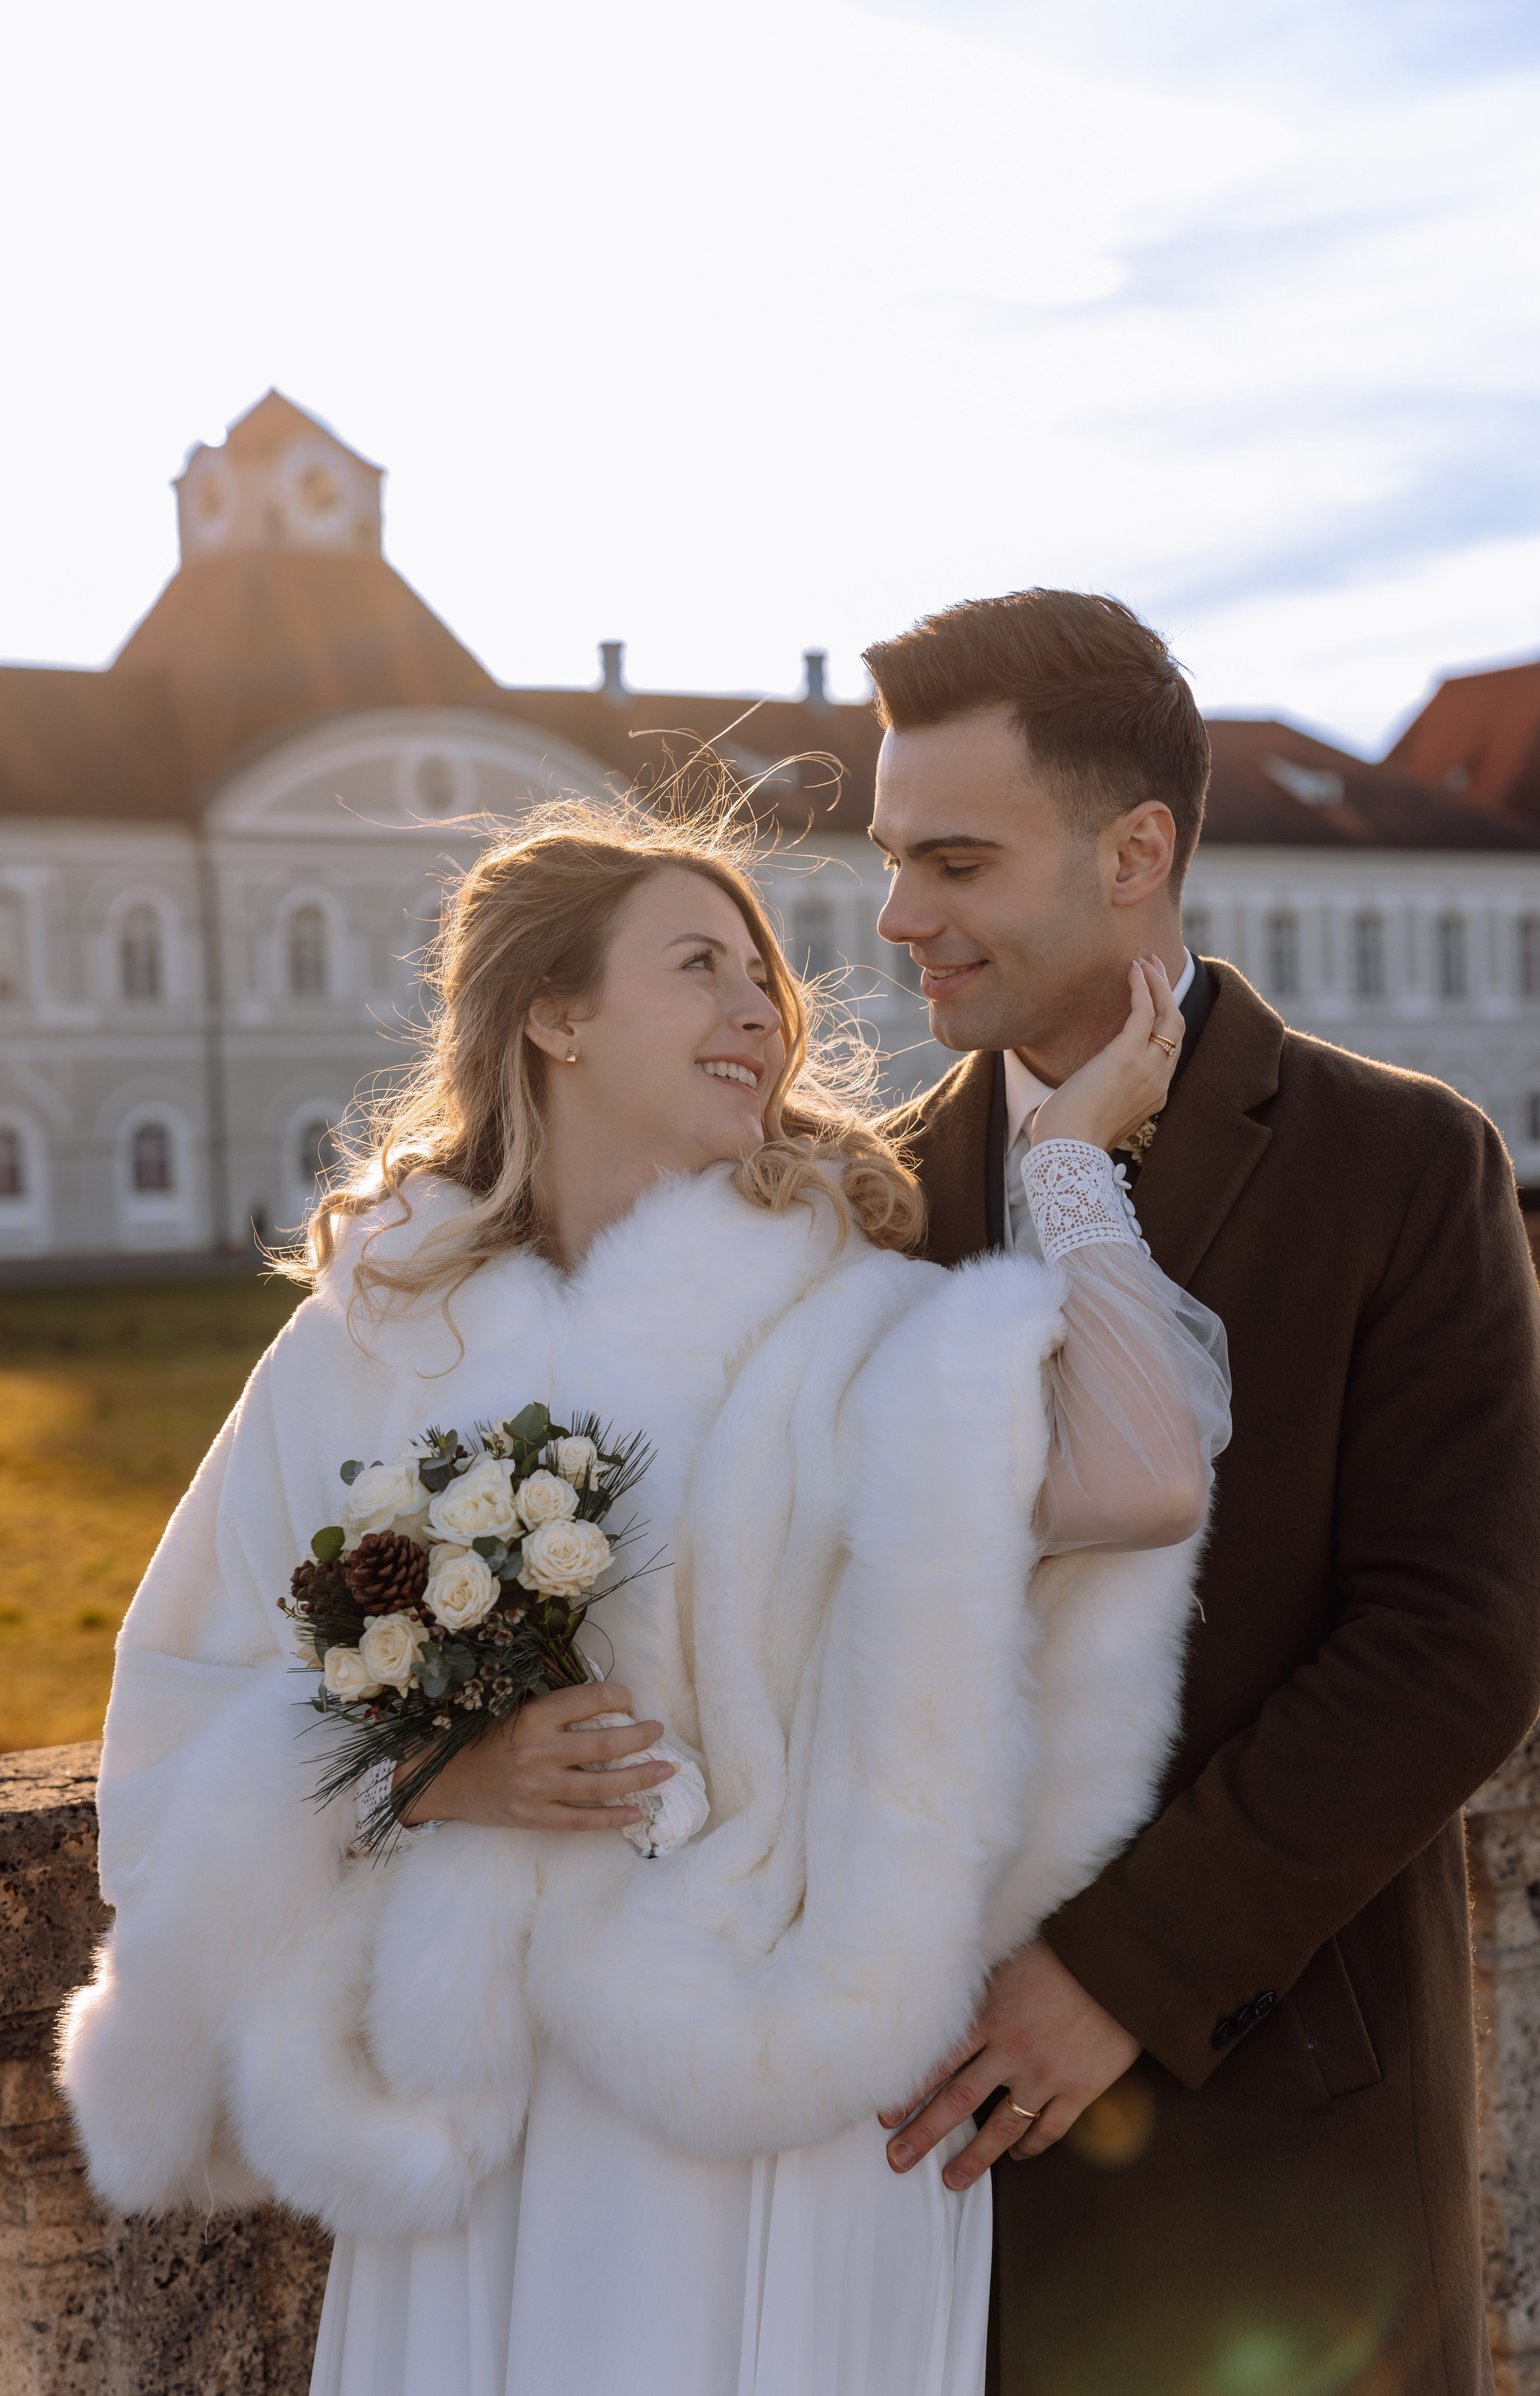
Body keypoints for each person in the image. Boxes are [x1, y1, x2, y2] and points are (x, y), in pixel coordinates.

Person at [61, 797, 1227, 2396]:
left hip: (808, 2094)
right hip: (490, 2102)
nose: (763, 1007)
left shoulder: (858, 1312)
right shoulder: (377, 1337)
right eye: (700, 965)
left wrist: (1072, 1165)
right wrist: (430, 1778)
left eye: (768, 977)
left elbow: (1146, 1484)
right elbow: (192, 1710)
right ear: (555, 1013)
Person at [864, 588, 1540, 2396]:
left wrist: (1123, 1972)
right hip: (906, 2172)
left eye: (953, 861)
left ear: (1136, 849)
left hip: (1282, 2131)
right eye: (891, 858)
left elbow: (1457, 1643)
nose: (897, 918)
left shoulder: (1404, 1161)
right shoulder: (856, 1199)